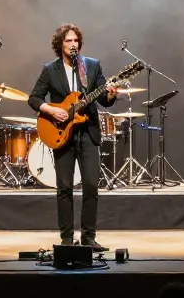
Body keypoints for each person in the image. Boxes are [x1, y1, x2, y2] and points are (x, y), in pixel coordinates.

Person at [28, 23, 118, 249]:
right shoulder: (50, 69)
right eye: (68, 40)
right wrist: (51, 110)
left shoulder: (91, 66)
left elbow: (103, 100)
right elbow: (34, 98)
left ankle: (88, 237)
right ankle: (67, 239)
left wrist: (110, 95)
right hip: (62, 134)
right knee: (64, 187)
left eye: (76, 40)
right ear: (60, 44)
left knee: (91, 186)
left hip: (88, 133)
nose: (73, 44)